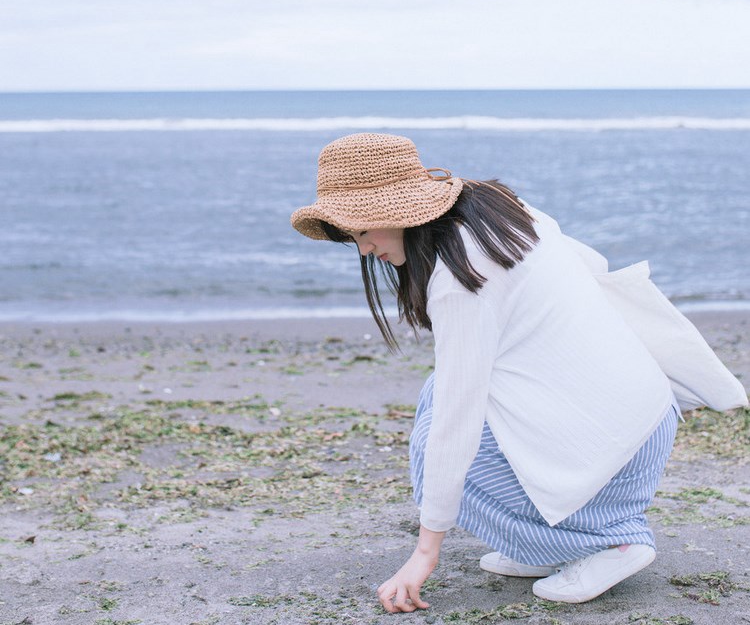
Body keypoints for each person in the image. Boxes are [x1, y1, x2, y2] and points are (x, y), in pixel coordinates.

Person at [290, 132, 746, 612]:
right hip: (645, 412)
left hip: (609, 443)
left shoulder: (458, 281)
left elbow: (456, 422)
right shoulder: (496, 208)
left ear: (399, 212)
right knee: (436, 394)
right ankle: (548, 545)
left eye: (363, 231)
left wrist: (426, 552)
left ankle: (611, 545)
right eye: (353, 238)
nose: (363, 250)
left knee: (434, 445)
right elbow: (591, 265)